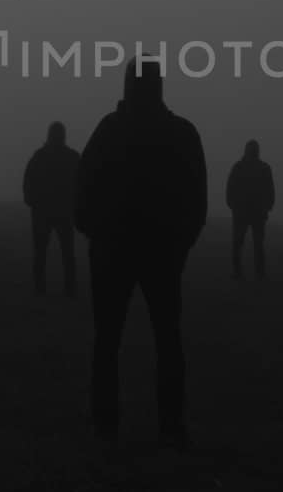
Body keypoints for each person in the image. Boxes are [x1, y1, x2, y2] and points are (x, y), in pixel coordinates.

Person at [75, 59, 207, 448]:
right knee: (165, 337)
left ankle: (107, 422)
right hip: (158, 252)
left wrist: (95, 233)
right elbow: (195, 200)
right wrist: (179, 245)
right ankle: (169, 422)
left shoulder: (110, 130)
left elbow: (84, 188)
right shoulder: (181, 133)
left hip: (115, 250)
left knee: (109, 340)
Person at [23, 121, 80, 296]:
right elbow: (82, 183)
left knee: (42, 254)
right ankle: (68, 290)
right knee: (67, 254)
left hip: (44, 212)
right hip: (63, 212)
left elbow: (28, 184)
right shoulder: (71, 157)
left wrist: (33, 202)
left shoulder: (39, 156)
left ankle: (41, 290)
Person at [226, 139, 275, 280]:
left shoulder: (239, 167)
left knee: (241, 243)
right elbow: (270, 191)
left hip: (246, 212)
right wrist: (268, 206)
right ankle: (256, 273)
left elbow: (230, 188)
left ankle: (240, 273)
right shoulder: (263, 168)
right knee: (253, 244)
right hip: (252, 212)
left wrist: (233, 205)